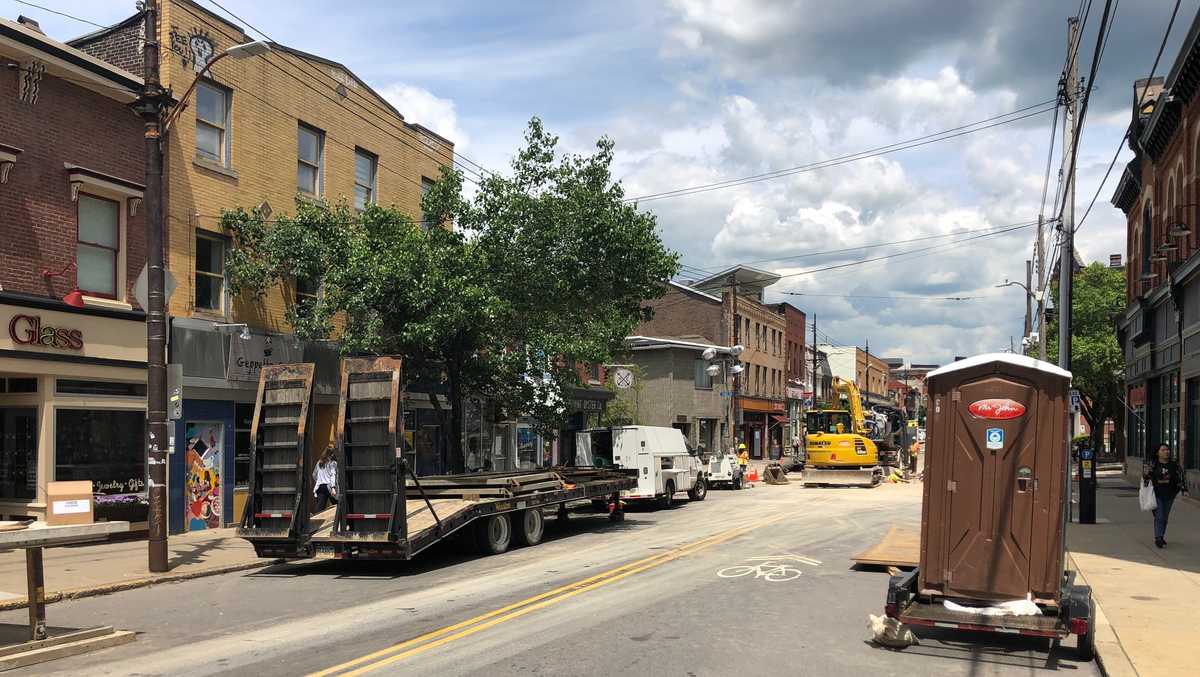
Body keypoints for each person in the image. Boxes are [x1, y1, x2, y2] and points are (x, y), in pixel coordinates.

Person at [1143, 443, 1188, 548]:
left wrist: (1184, 489)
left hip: (1169, 494)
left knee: (1165, 517)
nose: (1166, 452)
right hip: (1156, 494)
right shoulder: (1153, 464)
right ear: (1158, 453)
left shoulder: (1174, 465)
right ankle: (1158, 538)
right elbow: (1146, 478)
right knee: (1159, 516)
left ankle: (1161, 535)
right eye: (1163, 450)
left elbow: (1180, 477)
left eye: (1167, 450)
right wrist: (1146, 475)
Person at [313, 444, 339, 512]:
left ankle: (316, 521)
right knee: (338, 506)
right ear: (332, 454)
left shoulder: (319, 462)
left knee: (319, 509)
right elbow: (333, 475)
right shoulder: (333, 463)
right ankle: (340, 521)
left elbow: (314, 475)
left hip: (320, 487)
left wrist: (319, 481)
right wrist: (333, 487)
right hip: (329, 487)